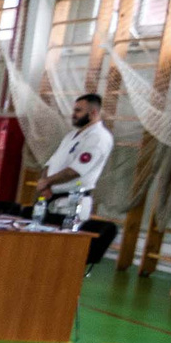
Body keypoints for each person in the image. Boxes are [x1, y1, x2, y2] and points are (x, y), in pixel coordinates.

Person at [40, 92, 118, 265]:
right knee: (43, 250)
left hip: (73, 203)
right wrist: (45, 184)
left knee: (61, 255)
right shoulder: (71, 136)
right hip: (52, 198)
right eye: (74, 110)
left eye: (78, 110)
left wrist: (48, 182)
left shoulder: (99, 137)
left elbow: (76, 171)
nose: (73, 114)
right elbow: (50, 164)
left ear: (93, 113)